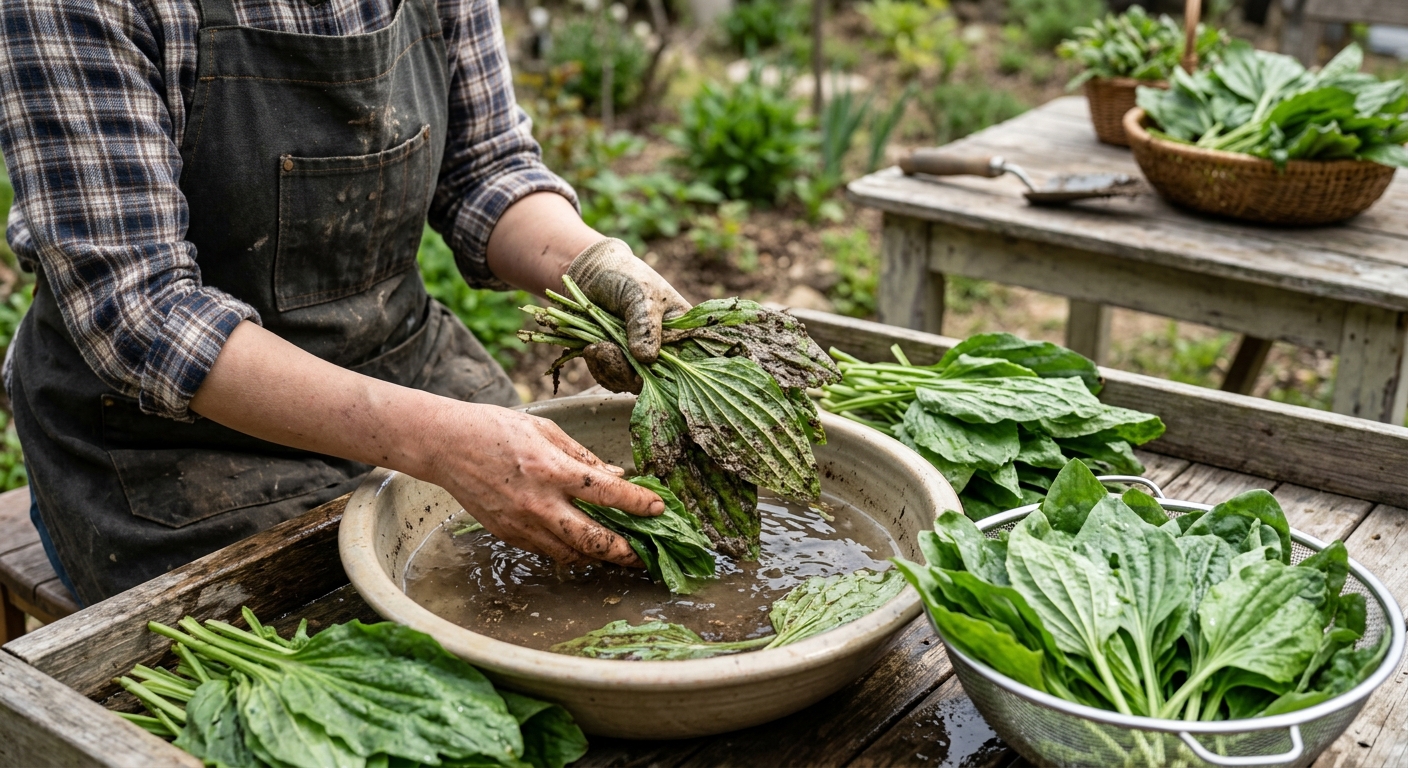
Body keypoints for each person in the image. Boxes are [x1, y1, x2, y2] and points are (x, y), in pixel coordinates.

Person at [0, 0, 688, 604]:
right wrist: (446, 443)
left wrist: (595, 264)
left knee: (586, 567)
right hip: (170, 449)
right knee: (347, 633)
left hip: (404, 367)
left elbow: (485, 168)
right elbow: (141, 312)